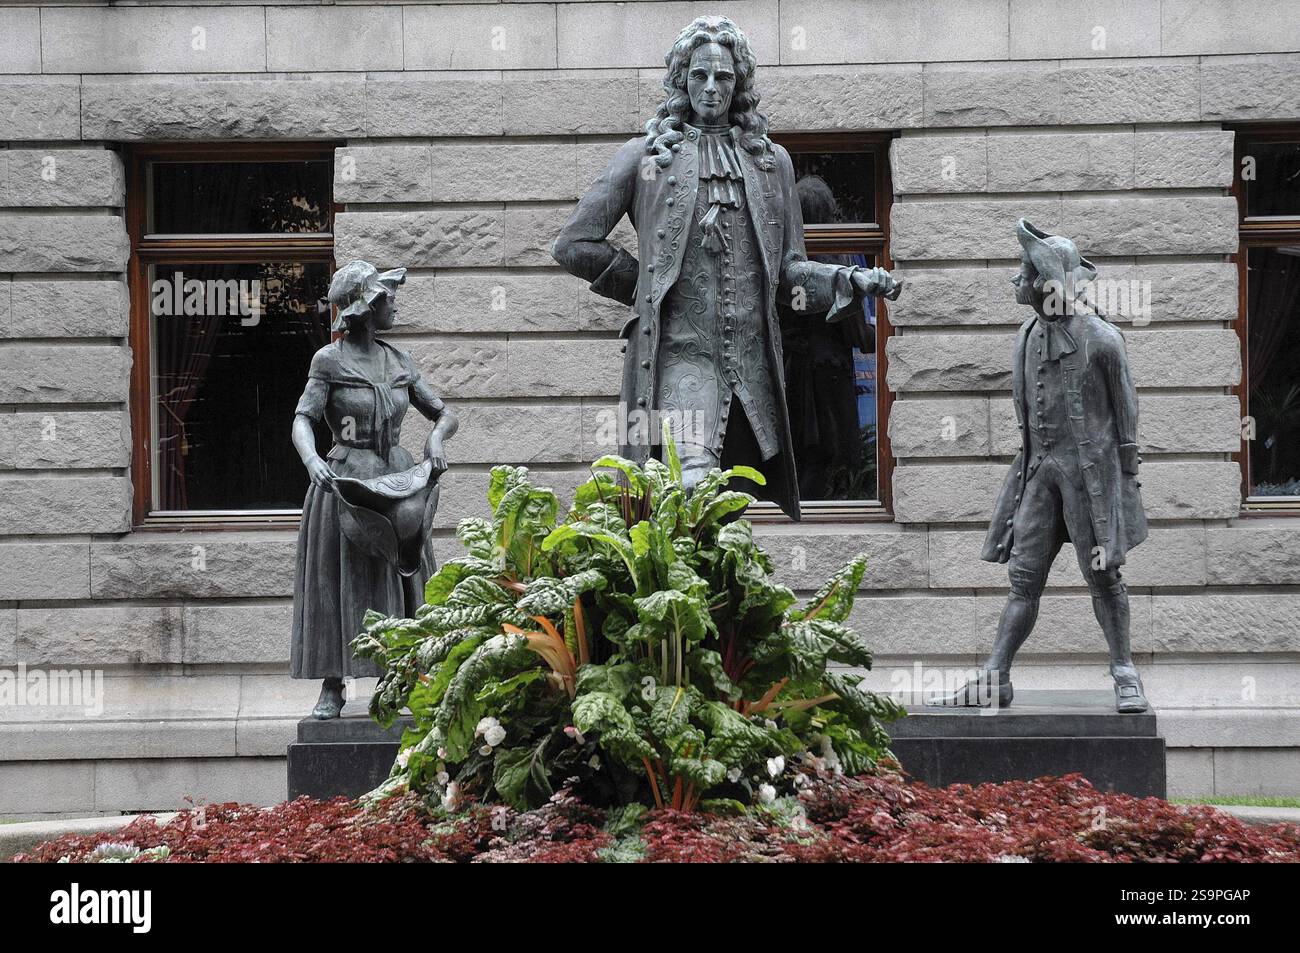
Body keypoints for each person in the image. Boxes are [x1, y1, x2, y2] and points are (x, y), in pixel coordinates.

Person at [552, 15, 900, 519]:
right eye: (700, 75)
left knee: (729, 509)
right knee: (691, 491)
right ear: (681, 80)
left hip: (751, 376)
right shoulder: (647, 158)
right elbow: (573, 244)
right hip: (678, 363)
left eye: (723, 76)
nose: (711, 87)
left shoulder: (770, 163)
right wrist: (646, 285)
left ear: (739, 84)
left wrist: (848, 279)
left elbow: (790, 273)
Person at [932, 220, 1149, 713]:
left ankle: (1124, 672)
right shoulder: (1026, 336)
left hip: (1089, 478)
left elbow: (1127, 416)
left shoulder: (1103, 340)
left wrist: (1126, 483)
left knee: (1104, 576)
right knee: (1023, 579)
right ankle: (996, 676)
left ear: (1048, 283)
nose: (1017, 280)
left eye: (1024, 272)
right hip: (1038, 473)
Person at [290, 261, 457, 719]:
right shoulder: (329, 360)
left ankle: (396, 676)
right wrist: (311, 460)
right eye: (388, 299)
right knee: (336, 580)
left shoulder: (400, 361)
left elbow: (444, 413)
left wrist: (436, 440)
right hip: (345, 480)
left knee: (396, 573)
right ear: (365, 308)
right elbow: (303, 418)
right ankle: (332, 683)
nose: (394, 306)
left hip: (398, 478)